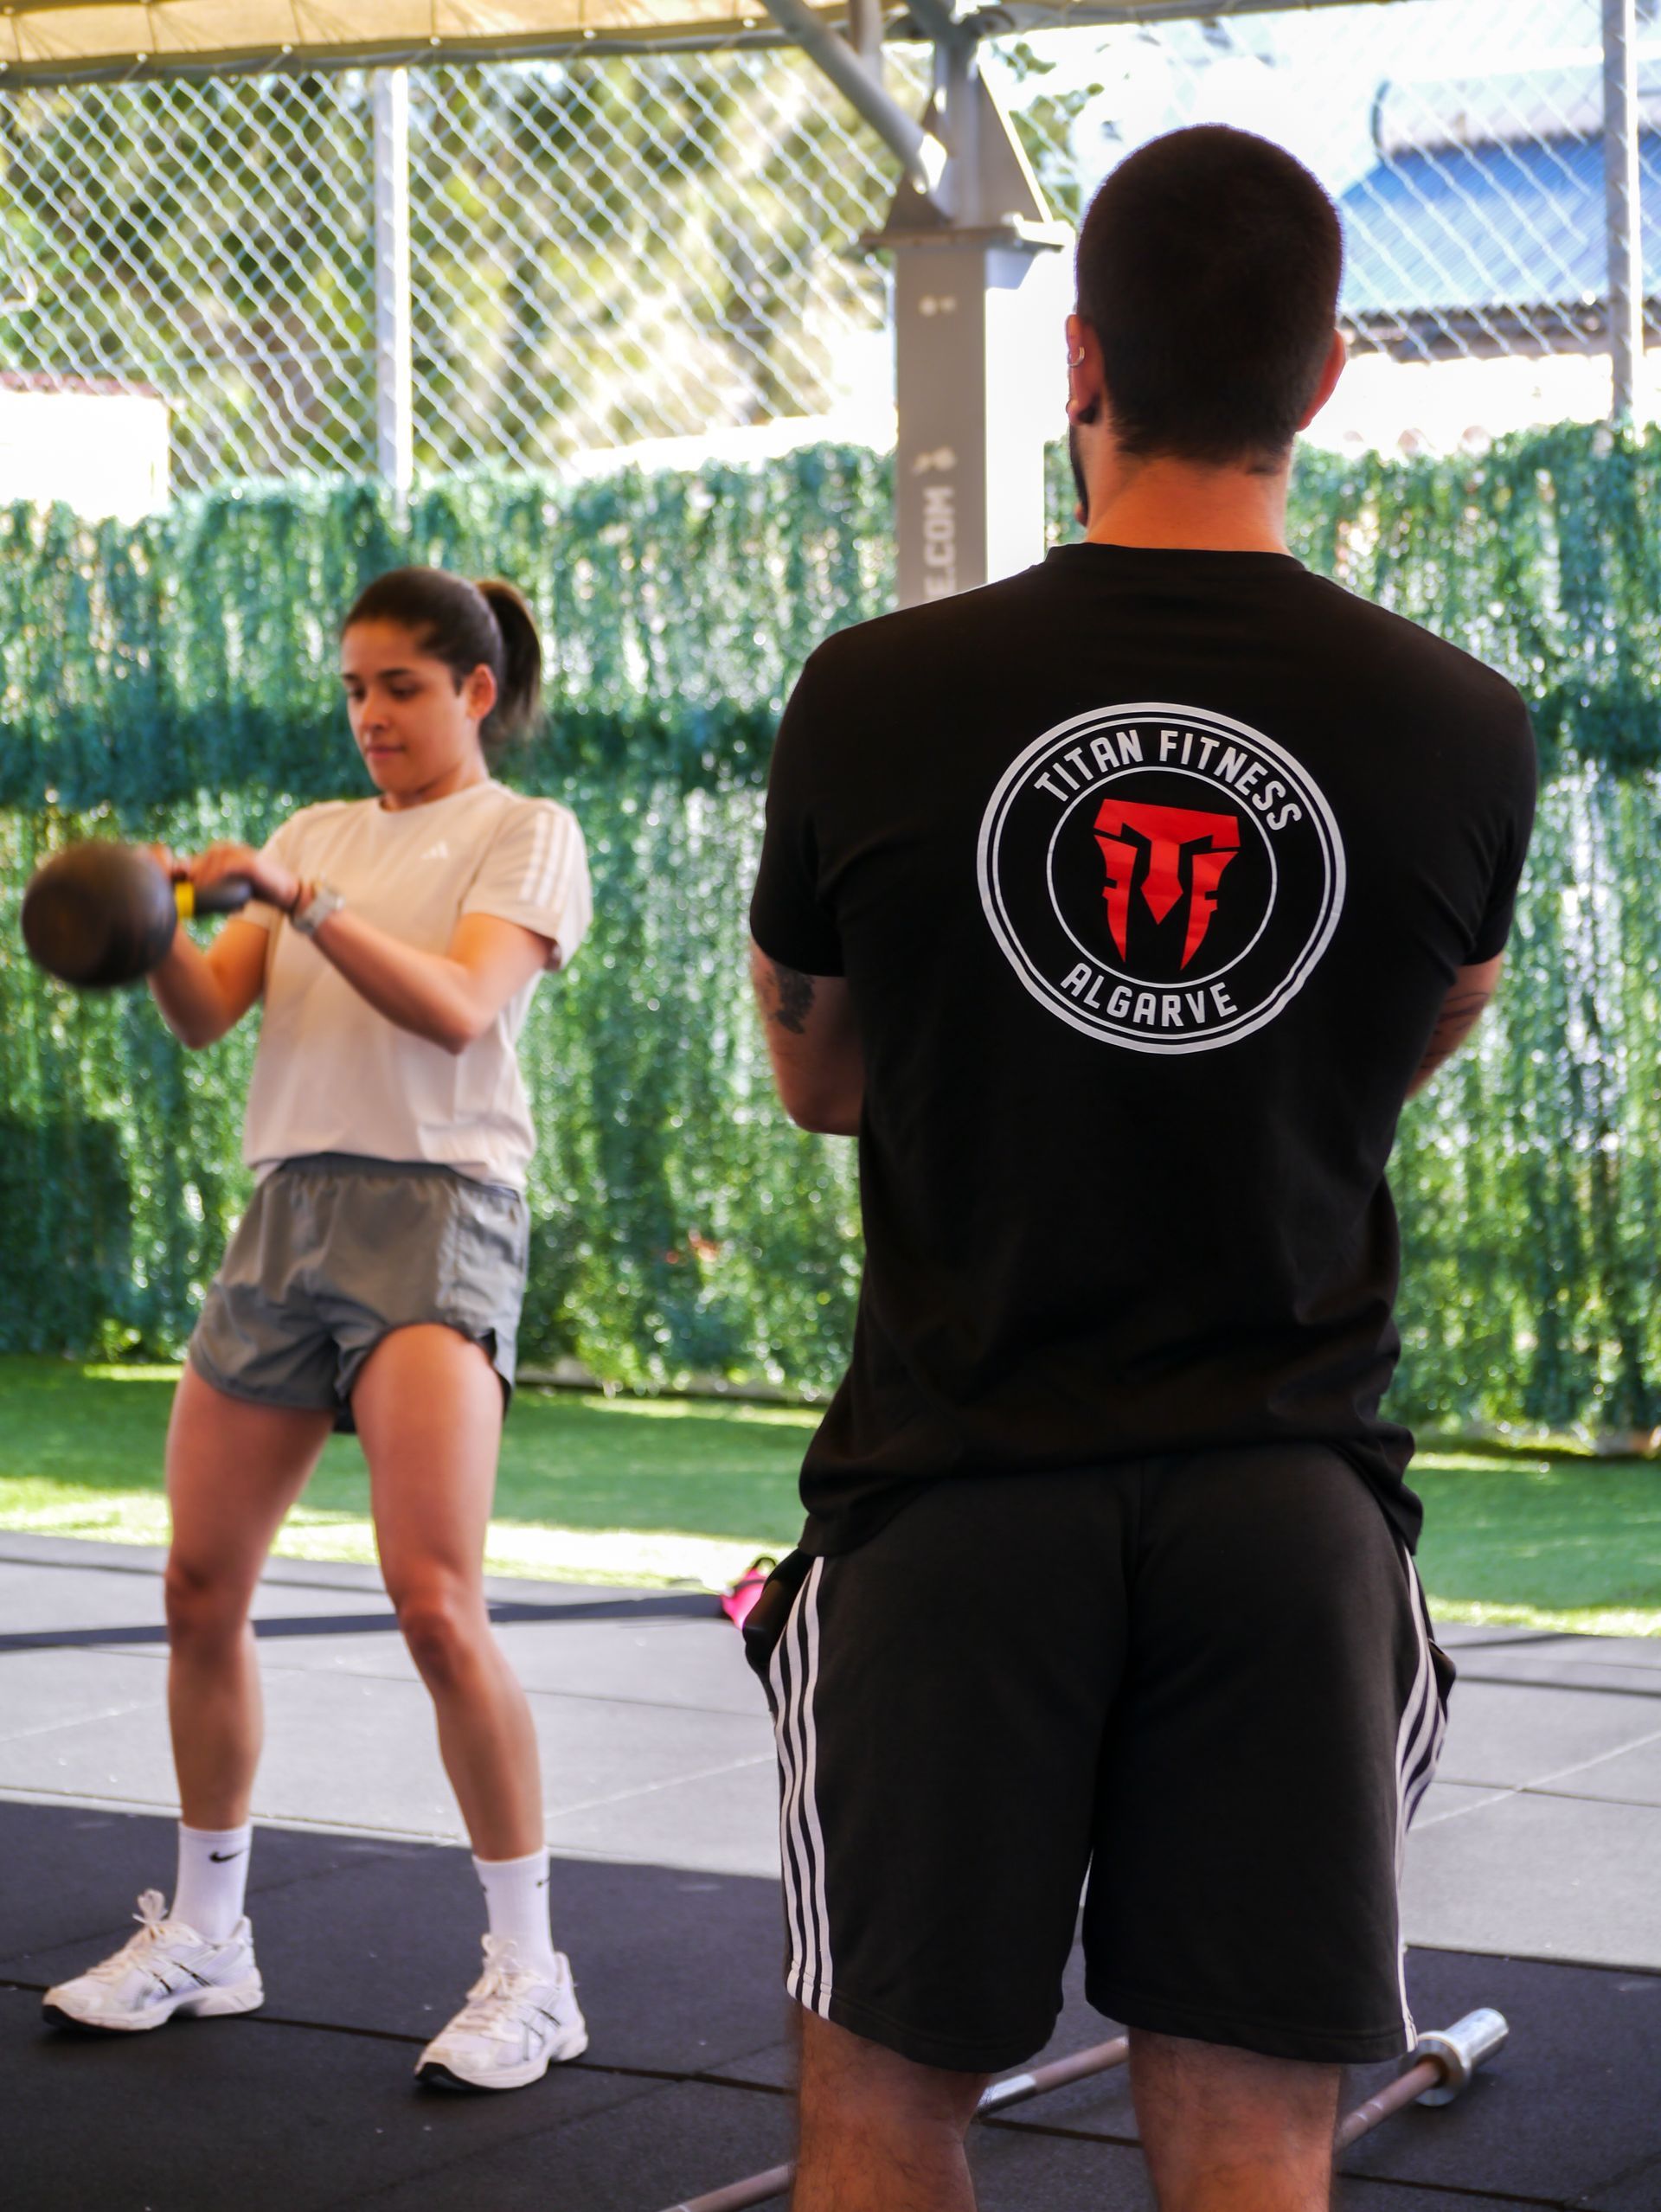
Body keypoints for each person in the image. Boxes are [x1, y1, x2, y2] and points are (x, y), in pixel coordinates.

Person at [745, 126, 1536, 2212]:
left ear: (1076, 359)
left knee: (884, 2102)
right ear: (1330, 373)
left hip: (956, 1490)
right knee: (1260, 2133)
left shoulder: (875, 693)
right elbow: (1404, 1043)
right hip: (1286, 1507)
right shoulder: (1464, 727)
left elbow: (820, 1077)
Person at [42, 567, 594, 2094]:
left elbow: (461, 1008)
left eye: (400, 688)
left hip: (439, 1215)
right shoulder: (312, 834)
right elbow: (212, 1009)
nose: (370, 717)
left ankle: (532, 1973)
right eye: (353, 688)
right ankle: (210, 1934)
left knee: (432, 1599)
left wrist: (302, 901)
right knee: (197, 1584)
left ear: (474, 691)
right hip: (287, 1218)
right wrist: (150, 914)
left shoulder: (522, 835)